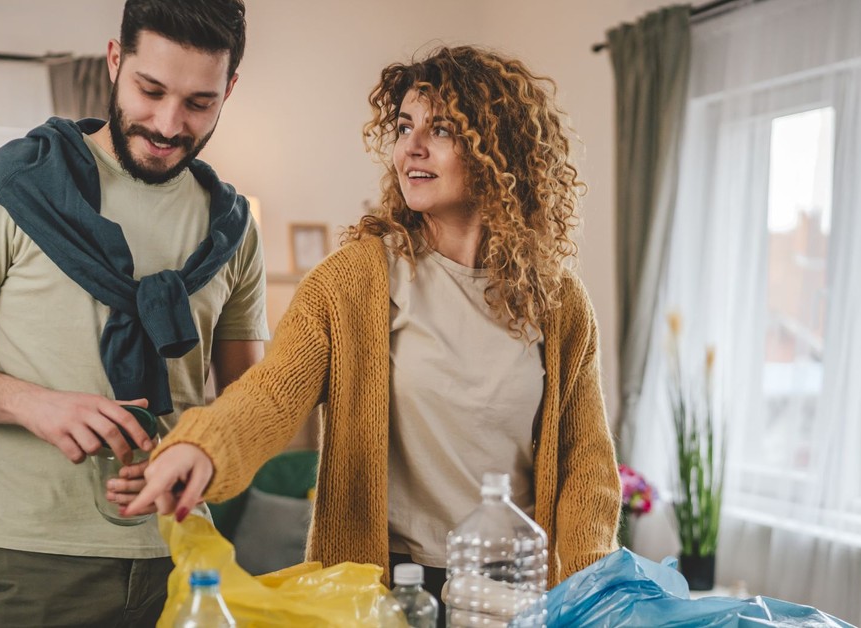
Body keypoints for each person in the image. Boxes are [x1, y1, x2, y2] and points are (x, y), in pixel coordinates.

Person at [126, 45, 620, 603]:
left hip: (514, 588)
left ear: (497, 151)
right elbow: (269, 394)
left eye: (442, 129)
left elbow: (586, 466)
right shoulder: (358, 279)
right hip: (388, 589)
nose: (411, 146)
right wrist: (201, 447)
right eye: (404, 125)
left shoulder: (558, 303)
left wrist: (591, 594)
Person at [0, 1, 266, 625]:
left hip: (182, 558)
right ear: (115, 60)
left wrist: (205, 458)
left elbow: (250, 403)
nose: (168, 123)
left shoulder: (233, 229)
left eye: (199, 103)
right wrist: (35, 403)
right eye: (150, 89)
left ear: (229, 90)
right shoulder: (15, 189)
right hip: (25, 562)